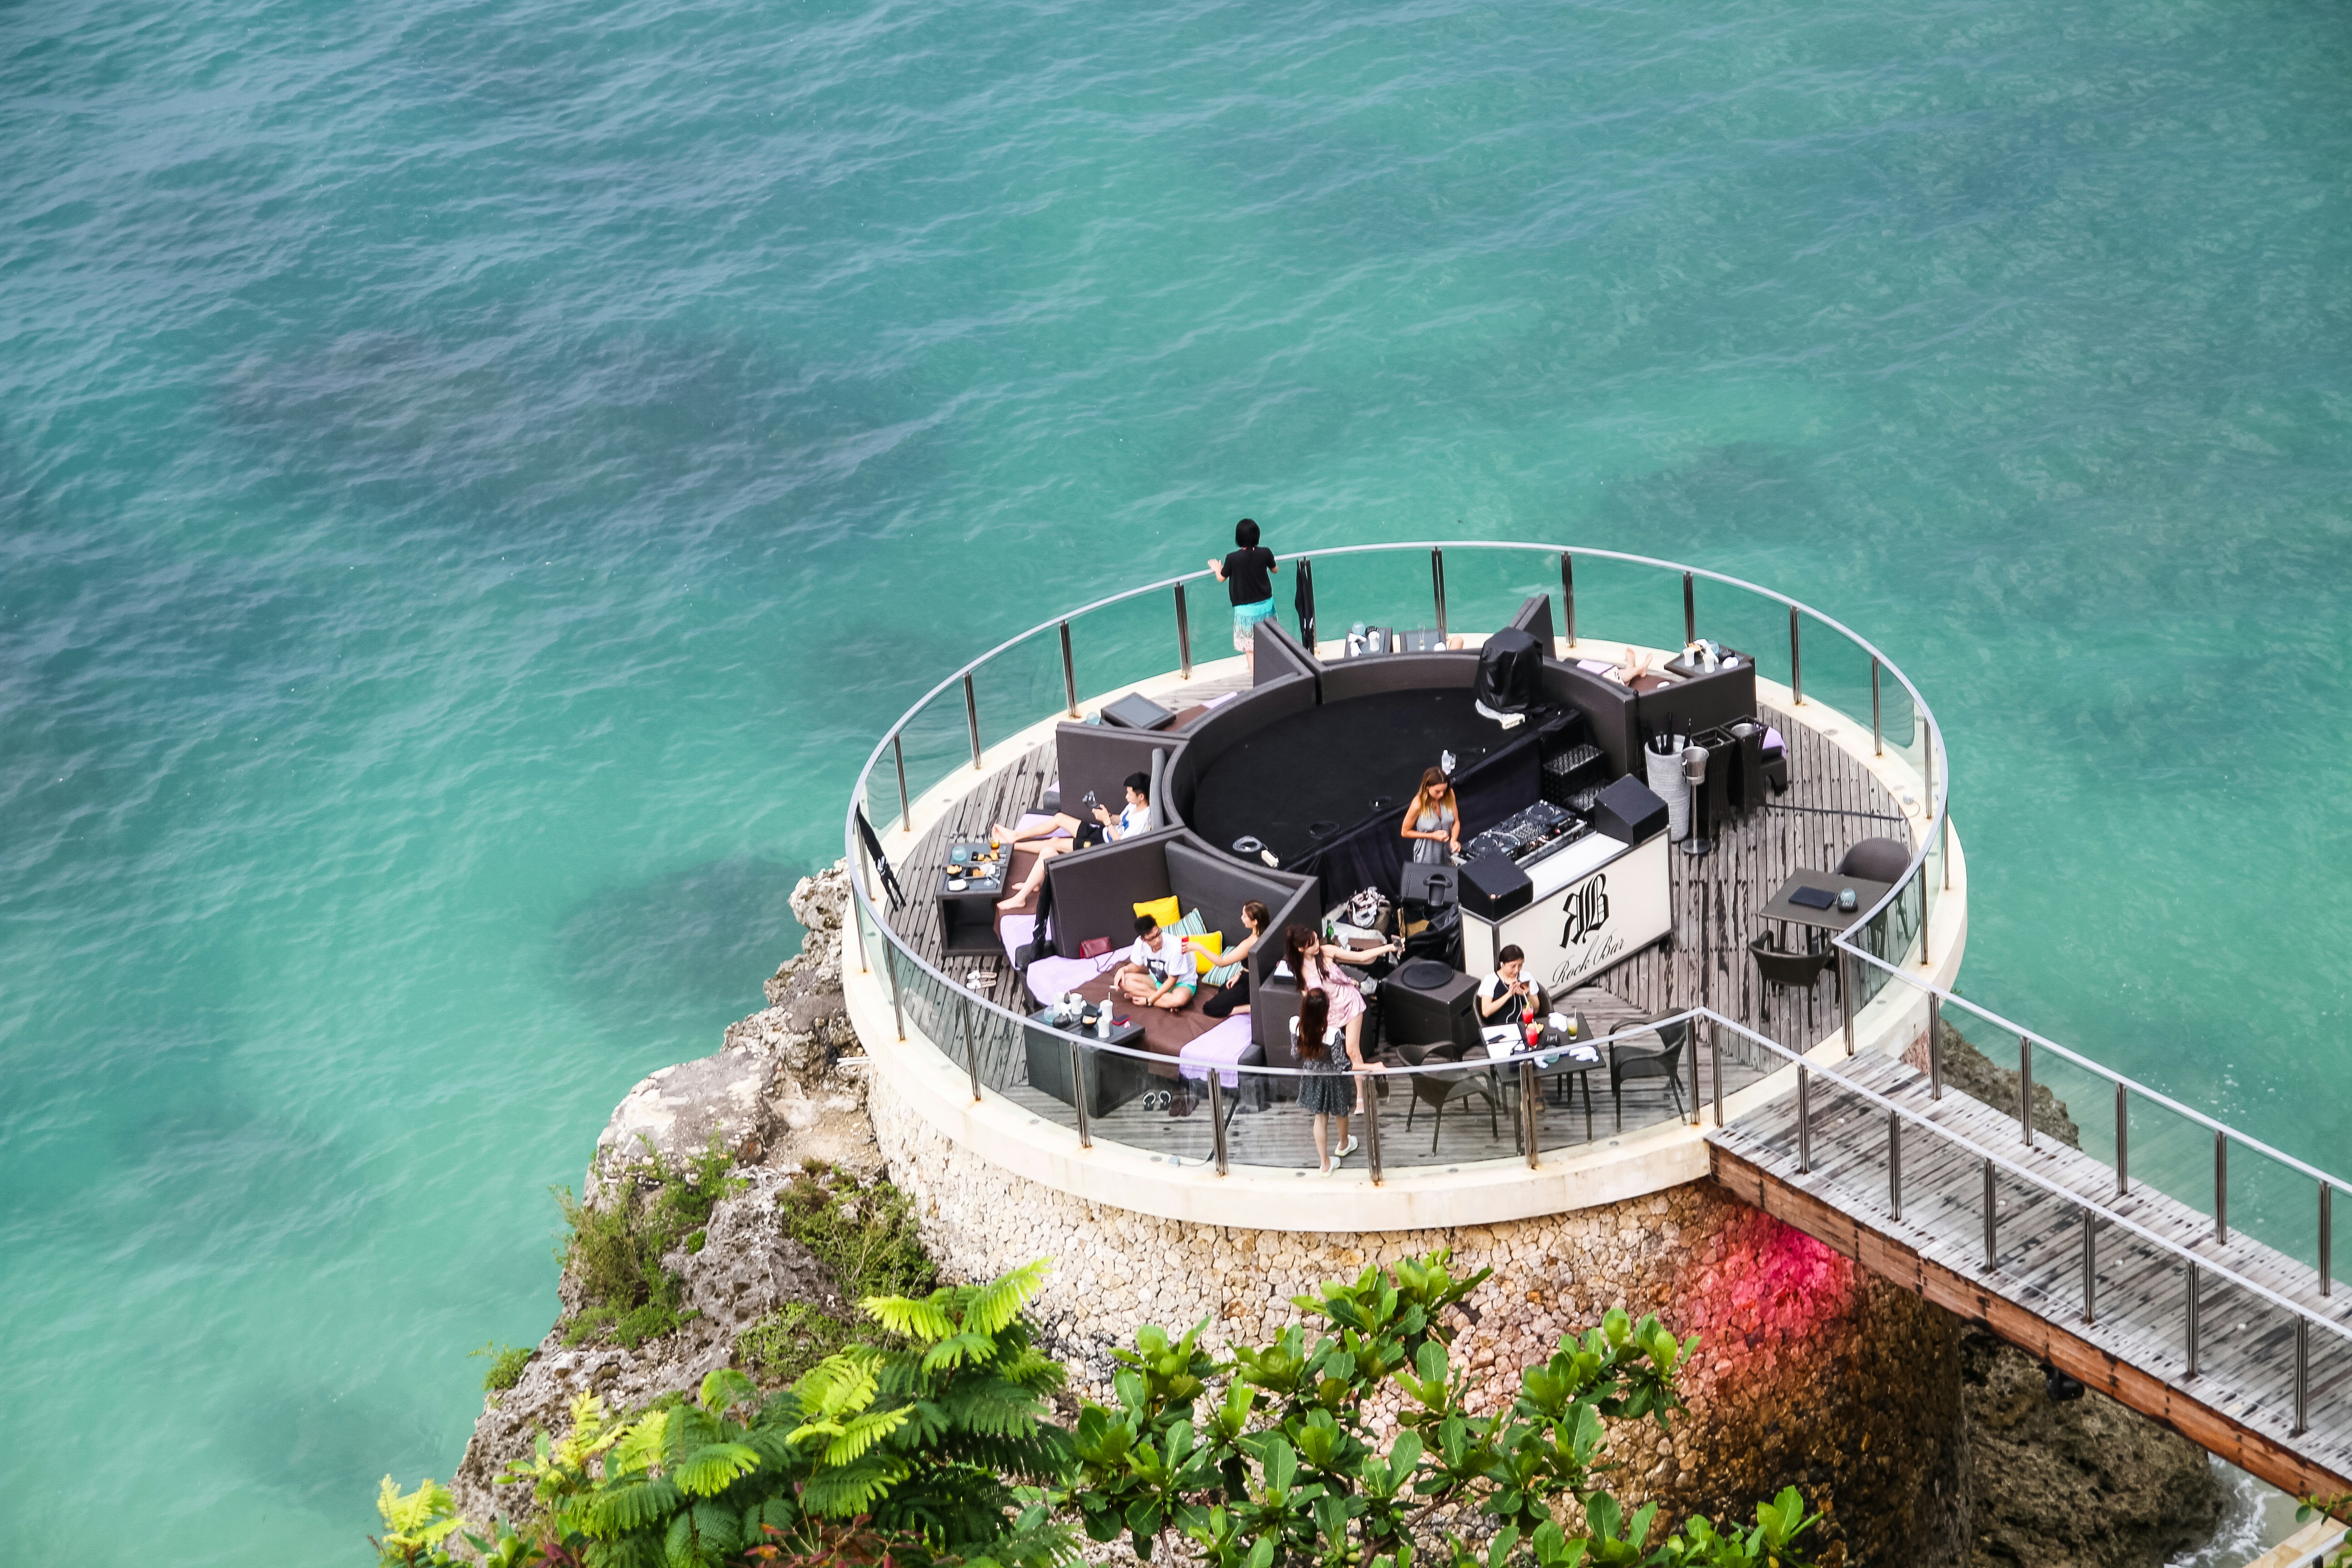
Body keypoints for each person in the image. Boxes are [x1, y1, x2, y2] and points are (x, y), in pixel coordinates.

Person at [1282, 923, 1395, 1128]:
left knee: (1352, 1050)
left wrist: (1388, 948)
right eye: (1312, 944)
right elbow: (1307, 997)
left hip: (1349, 1003)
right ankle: (1370, 1072)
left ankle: (1361, 1094)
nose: (1318, 945)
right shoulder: (1298, 970)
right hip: (1328, 1012)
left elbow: (1361, 958)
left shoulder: (1326, 952)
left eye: (1317, 940)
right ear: (1300, 949)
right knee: (1336, 1057)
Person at [994, 772, 1150, 910]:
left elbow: (1121, 844)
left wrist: (1107, 823)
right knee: (1060, 818)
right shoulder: (1134, 805)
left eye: (1130, 793)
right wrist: (1108, 816)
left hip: (1104, 848)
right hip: (1102, 834)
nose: (1126, 797)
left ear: (1141, 796)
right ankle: (1015, 837)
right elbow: (1121, 821)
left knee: (1054, 843)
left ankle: (1013, 847)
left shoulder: (1142, 821)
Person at [1290, 989, 1353, 1175]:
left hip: (1312, 1078)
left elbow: (1295, 1056)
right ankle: (1344, 1144)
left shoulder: (1296, 1025)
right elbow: (1342, 1063)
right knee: (1341, 1112)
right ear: (1326, 1010)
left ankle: (1325, 1164)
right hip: (1334, 1080)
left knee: (1320, 1118)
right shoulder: (1333, 1034)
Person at [1208, 518, 1279, 675]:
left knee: (1251, 649)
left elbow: (1222, 578)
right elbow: (1275, 570)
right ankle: (1273, 672)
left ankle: (1258, 680)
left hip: (1246, 612)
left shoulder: (1233, 558)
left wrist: (1217, 568)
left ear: (1238, 538)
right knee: (1269, 642)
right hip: (1266, 606)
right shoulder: (1265, 552)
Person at [1198, 899, 1270, 1018]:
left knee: (1210, 1008)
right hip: (1257, 978)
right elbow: (1255, 964)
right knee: (1224, 988)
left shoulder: (1250, 943)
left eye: (1245, 916)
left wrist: (1198, 947)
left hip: (1251, 984)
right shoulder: (1268, 933)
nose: (1242, 918)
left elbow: (1222, 962)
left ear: (1255, 922)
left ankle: (1251, 1007)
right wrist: (1239, 974)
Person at [1115, 912, 1196, 1011]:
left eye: (1158, 933)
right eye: (1152, 938)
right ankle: (1166, 1002)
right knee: (1123, 981)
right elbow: (1137, 966)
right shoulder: (1140, 943)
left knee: (1180, 999)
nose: (1158, 940)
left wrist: (1149, 1001)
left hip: (1181, 983)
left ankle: (1146, 996)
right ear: (1143, 939)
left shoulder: (1176, 946)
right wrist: (1123, 970)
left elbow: (1172, 980)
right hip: (1157, 980)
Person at [1400, 767, 1460, 864]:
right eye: (1438, 791)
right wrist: (1432, 836)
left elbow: (1456, 821)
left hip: (1447, 854)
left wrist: (1454, 840)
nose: (1442, 795)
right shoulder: (1418, 804)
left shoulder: (1450, 794)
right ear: (1427, 787)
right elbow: (1405, 832)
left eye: (1444, 790)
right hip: (1427, 857)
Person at [1475, 945, 1548, 1022]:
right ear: (1502, 964)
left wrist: (1528, 994)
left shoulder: (1527, 977)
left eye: (1520, 965)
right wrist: (1508, 995)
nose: (1517, 970)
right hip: (1500, 1026)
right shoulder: (1490, 980)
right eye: (1513, 966)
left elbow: (1536, 1010)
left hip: (1525, 1024)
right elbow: (1486, 1012)